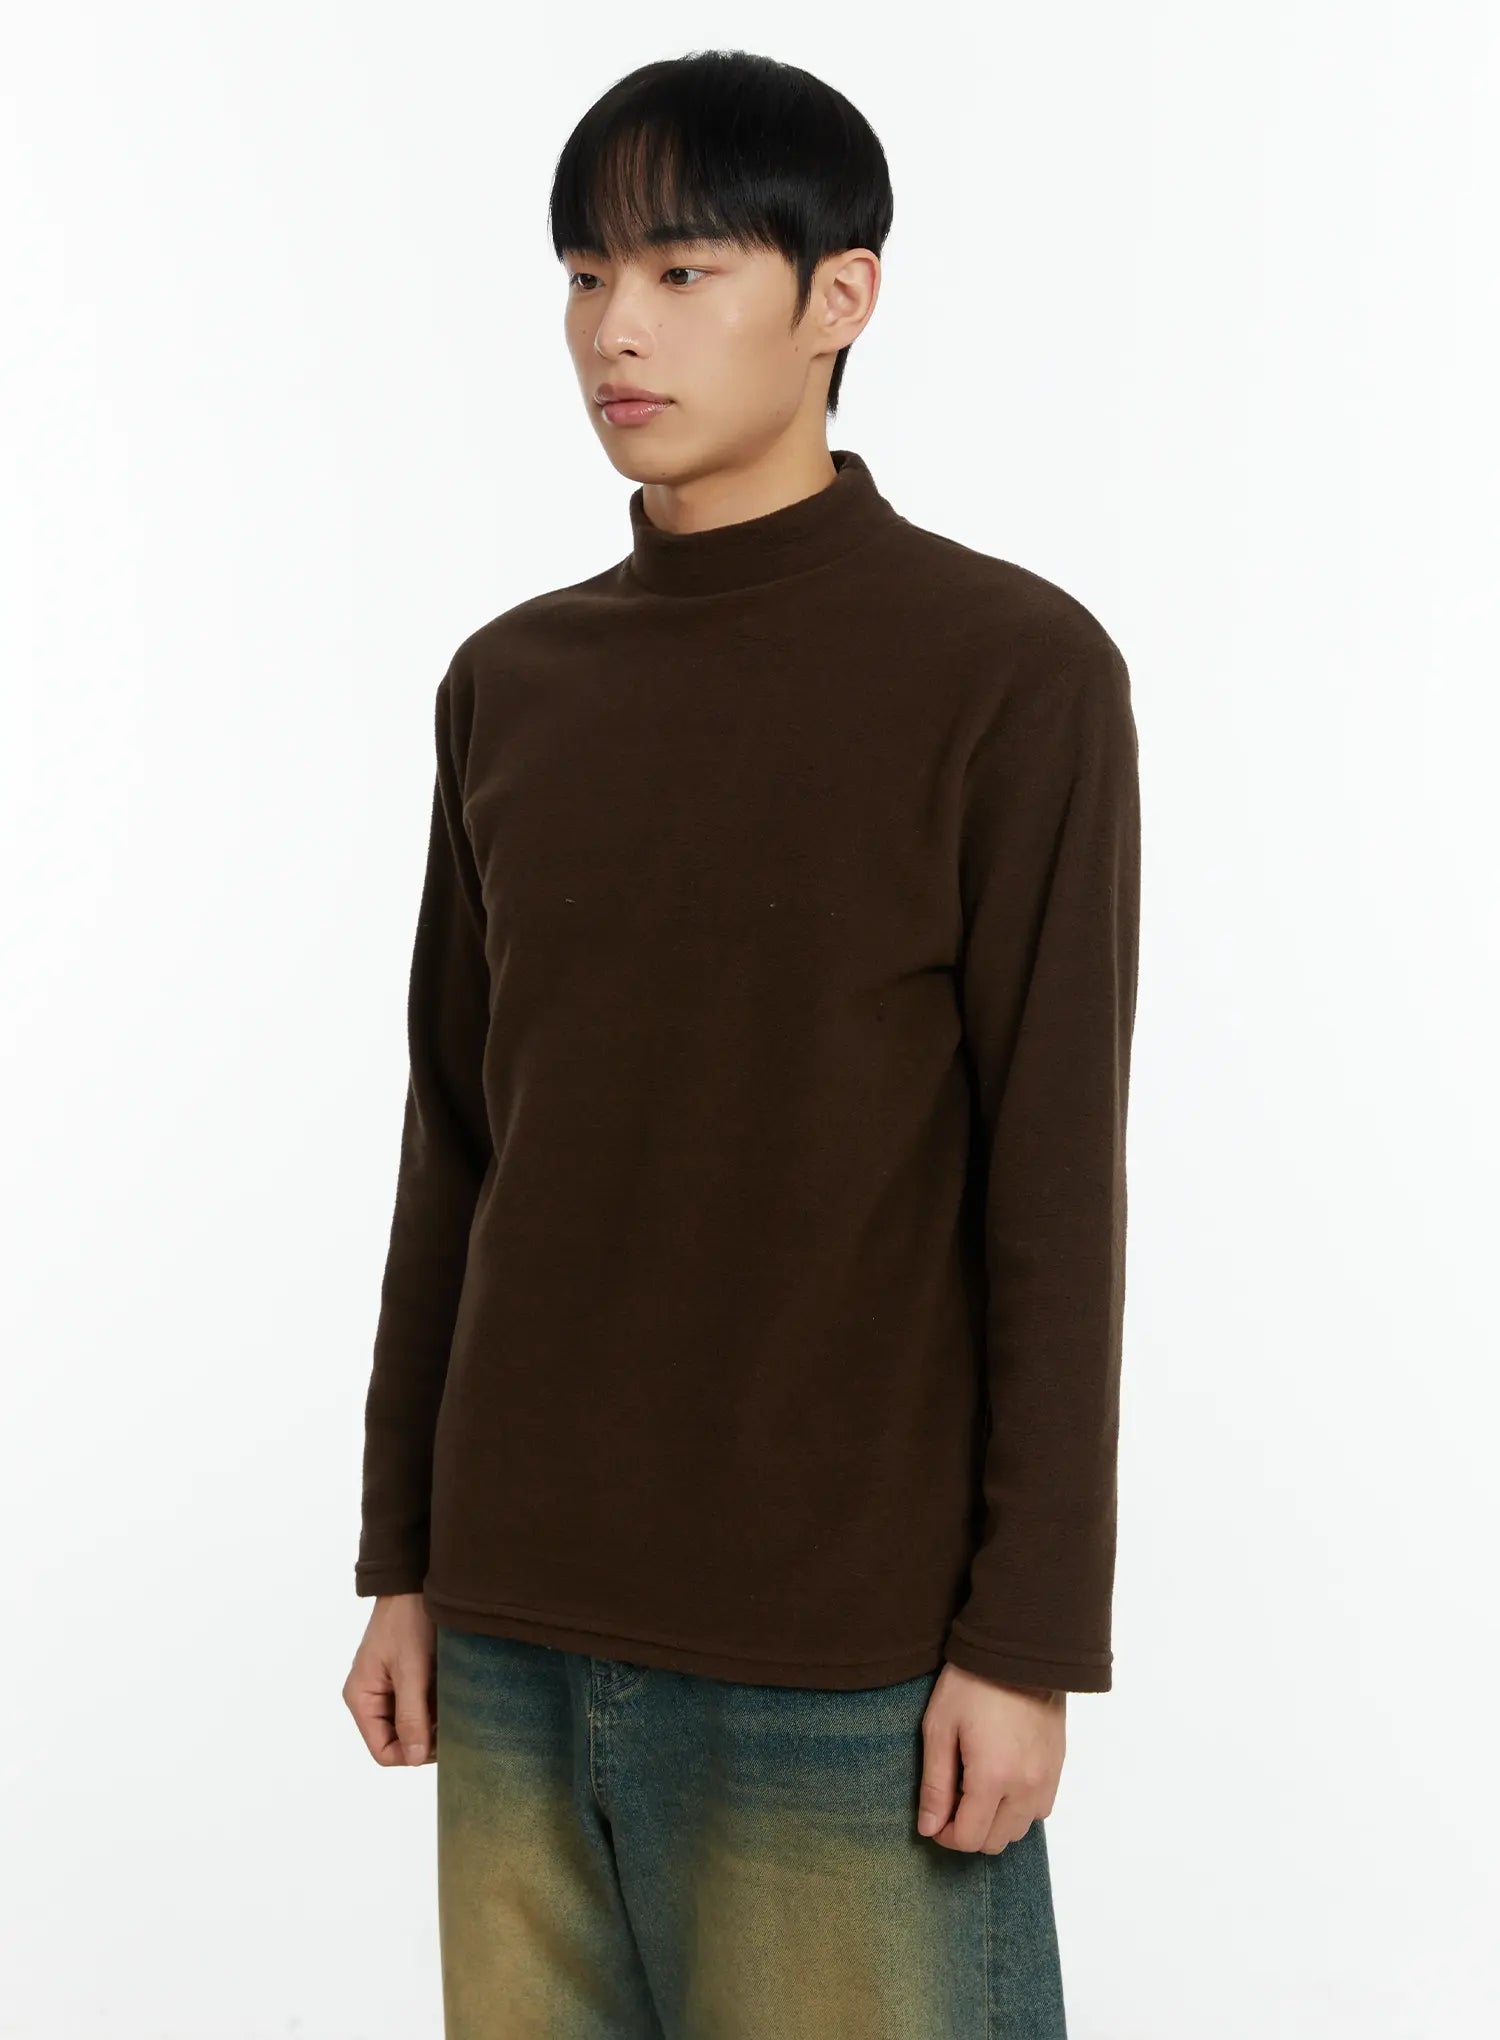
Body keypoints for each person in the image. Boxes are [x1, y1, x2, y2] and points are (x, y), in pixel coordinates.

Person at [342, 47, 1141, 2040]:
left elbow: (1051, 1183)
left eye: (684, 271)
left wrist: (1026, 1639)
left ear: (839, 296)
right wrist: (404, 1558)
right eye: (585, 275)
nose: (615, 327)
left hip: (844, 1655)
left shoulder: (1010, 673)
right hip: (515, 1621)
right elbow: (457, 1141)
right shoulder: (510, 685)